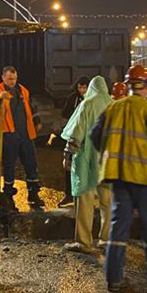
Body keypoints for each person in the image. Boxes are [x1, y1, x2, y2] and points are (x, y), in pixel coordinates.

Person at [90, 64, 147, 291]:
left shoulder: (112, 108)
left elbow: (95, 135)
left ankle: (114, 278)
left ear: (128, 85)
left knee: (118, 228)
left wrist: (110, 154)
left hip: (120, 177)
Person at [61, 76, 113, 253]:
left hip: (88, 161)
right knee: (107, 202)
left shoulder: (87, 104)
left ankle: (84, 242)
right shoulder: (113, 105)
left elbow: (77, 133)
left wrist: (67, 154)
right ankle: (106, 240)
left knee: (85, 201)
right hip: (107, 163)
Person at [0, 66, 45, 209]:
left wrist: (36, 119)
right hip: (8, 134)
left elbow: (30, 109)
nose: (12, 81)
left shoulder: (23, 91)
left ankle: (33, 193)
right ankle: (8, 195)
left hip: (25, 134)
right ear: (3, 78)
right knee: (9, 166)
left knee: (31, 163)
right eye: (9, 79)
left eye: (14, 79)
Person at [59, 76, 91, 207]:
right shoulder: (73, 98)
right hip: (75, 135)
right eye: (80, 87)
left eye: (85, 87)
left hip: (87, 139)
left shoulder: (92, 100)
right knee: (69, 165)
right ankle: (69, 194)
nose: (82, 90)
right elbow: (65, 113)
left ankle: (86, 195)